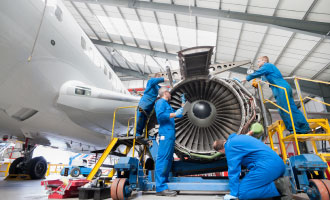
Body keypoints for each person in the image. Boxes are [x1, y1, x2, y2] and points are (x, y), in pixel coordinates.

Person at [242, 56, 310, 134]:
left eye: (258, 61)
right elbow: (263, 79)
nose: (257, 63)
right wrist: (257, 83)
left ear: (264, 61)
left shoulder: (267, 65)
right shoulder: (268, 70)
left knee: (283, 109)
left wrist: (247, 78)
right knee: (292, 108)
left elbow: (258, 72)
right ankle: (304, 128)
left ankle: (294, 129)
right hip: (283, 87)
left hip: (280, 88)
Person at [213, 134, 292, 200]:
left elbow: (233, 172)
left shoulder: (229, 147)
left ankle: (278, 186)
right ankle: (278, 185)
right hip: (279, 164)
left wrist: (233, 194)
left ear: (221, 151)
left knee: (243, 193)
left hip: (266, 167)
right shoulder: (238, 137)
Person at [154, 87, 184, 196]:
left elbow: (177, 114)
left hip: (170, 135)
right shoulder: (160, 102)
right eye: (169, 93)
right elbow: (160, 116)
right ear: (165, 93)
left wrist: (182, 107)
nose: (170, 95)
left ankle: (165, 185)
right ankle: (160, 188)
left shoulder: (167, 105)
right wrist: (175, 114)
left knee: (167, 160)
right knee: (162, 159)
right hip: (165, 135)